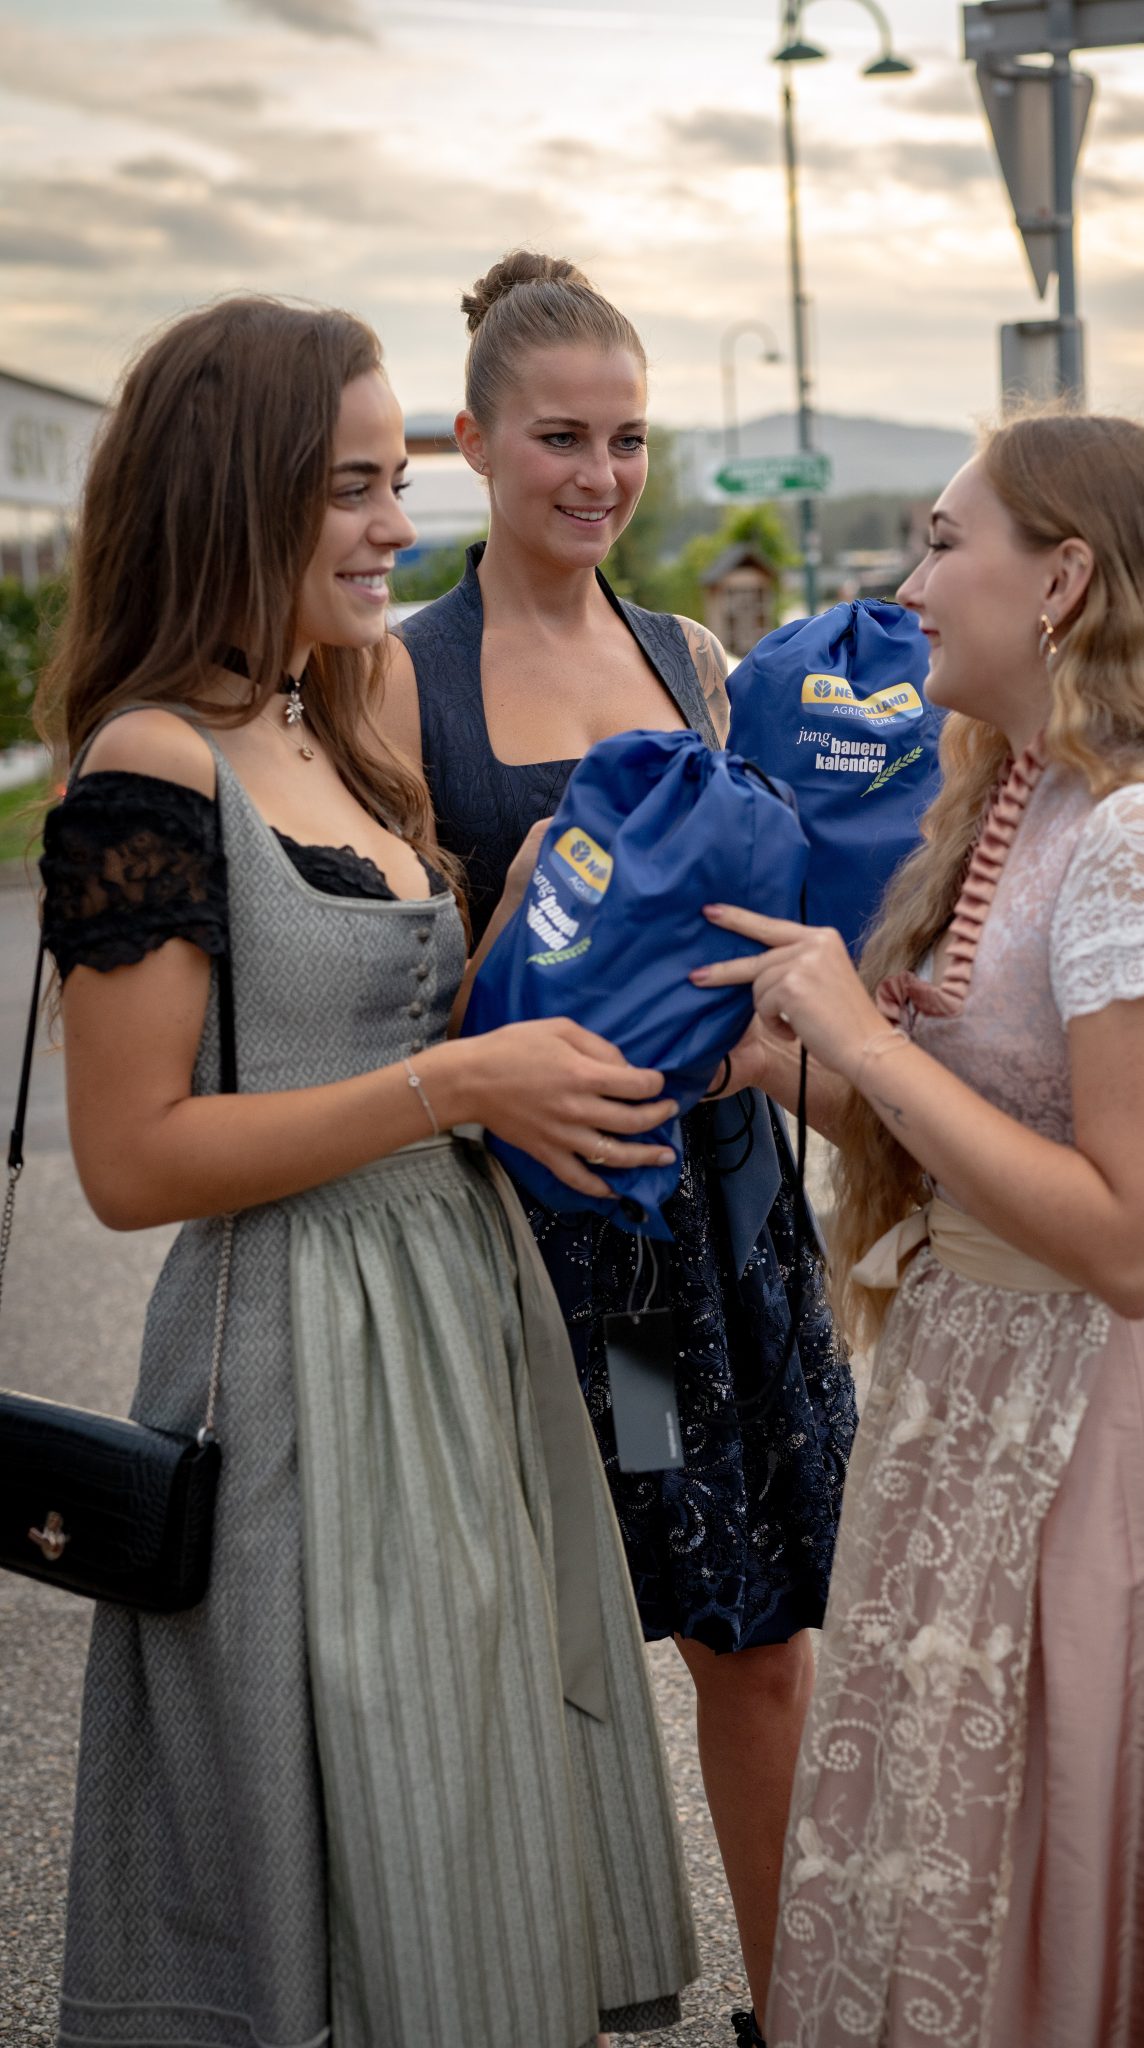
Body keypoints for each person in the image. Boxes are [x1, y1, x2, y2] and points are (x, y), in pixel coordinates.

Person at [37, 295, 697, 2048]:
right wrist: (453, 1084)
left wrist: (544, 924)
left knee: (469, 1795)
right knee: (348, 1819)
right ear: (228, 492)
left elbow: (399, 1022)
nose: (397, 526)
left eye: (395, 480)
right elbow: (132, 1160)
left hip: (457, 1326)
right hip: (303, 1365)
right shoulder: (147, 763)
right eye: (350, 487)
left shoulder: (334, 724)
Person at [694, 412, 1144, 2046]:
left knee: (1044, 1860)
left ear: (1060, 579)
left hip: (1088, 1416)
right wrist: (774, 1058)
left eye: (941, 543)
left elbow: (1133, 1239)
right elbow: (977, 1143)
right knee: (955, 1850)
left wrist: (861, 1045)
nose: (907, 586)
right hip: (974, 1383)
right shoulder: (1019, 798)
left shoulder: (1142, 834)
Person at [377, 250, 857, 2041]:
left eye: (628, 439)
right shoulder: (394, 678)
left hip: (692, 1242)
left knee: (752, 1635)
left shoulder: (691, 661)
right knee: (521, 1651)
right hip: (518, 1243)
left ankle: (787, 2011)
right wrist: (512, 919)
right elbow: (389, 1009)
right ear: (471, 442)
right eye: (560, 438)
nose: (599, 476)